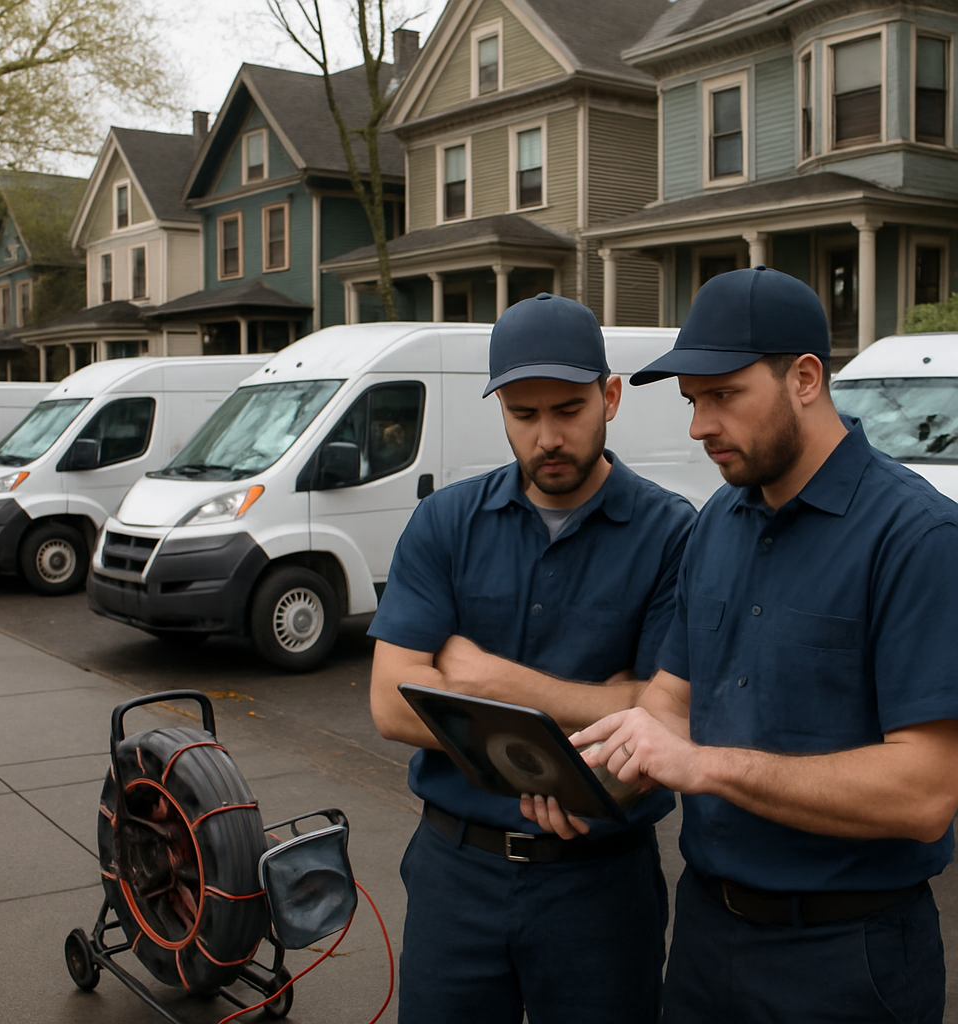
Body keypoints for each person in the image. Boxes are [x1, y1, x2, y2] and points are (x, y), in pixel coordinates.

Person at [526, 266, 958, 1024]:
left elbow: (926, 793)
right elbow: (669, 704)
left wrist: (704, 766)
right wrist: (589, 782)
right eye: (694, 401)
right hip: (705, 937)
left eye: (723, 395)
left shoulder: (916, 538)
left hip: (847, 956)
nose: (699, 426)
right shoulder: (716, 524)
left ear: (804, 378)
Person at [368, 292, 696, 1024]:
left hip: (600, 886)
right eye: (524, 414)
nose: (547, 435)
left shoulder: (673, 534)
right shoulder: (446, 522)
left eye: (568, 410)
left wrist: (492, 681)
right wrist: (595, 713)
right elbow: (392, 703)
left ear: (610, 397)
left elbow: (666, 719)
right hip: (456, 872)